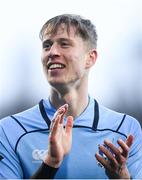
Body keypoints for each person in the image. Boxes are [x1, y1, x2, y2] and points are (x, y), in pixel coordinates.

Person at [0, 14, 142, 179]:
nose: (52, 52)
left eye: (64, 44)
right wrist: (50, 164)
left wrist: (122, 177)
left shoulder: (125, 129)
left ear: (90, 58)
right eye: (47, 45)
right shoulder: (9, 130)